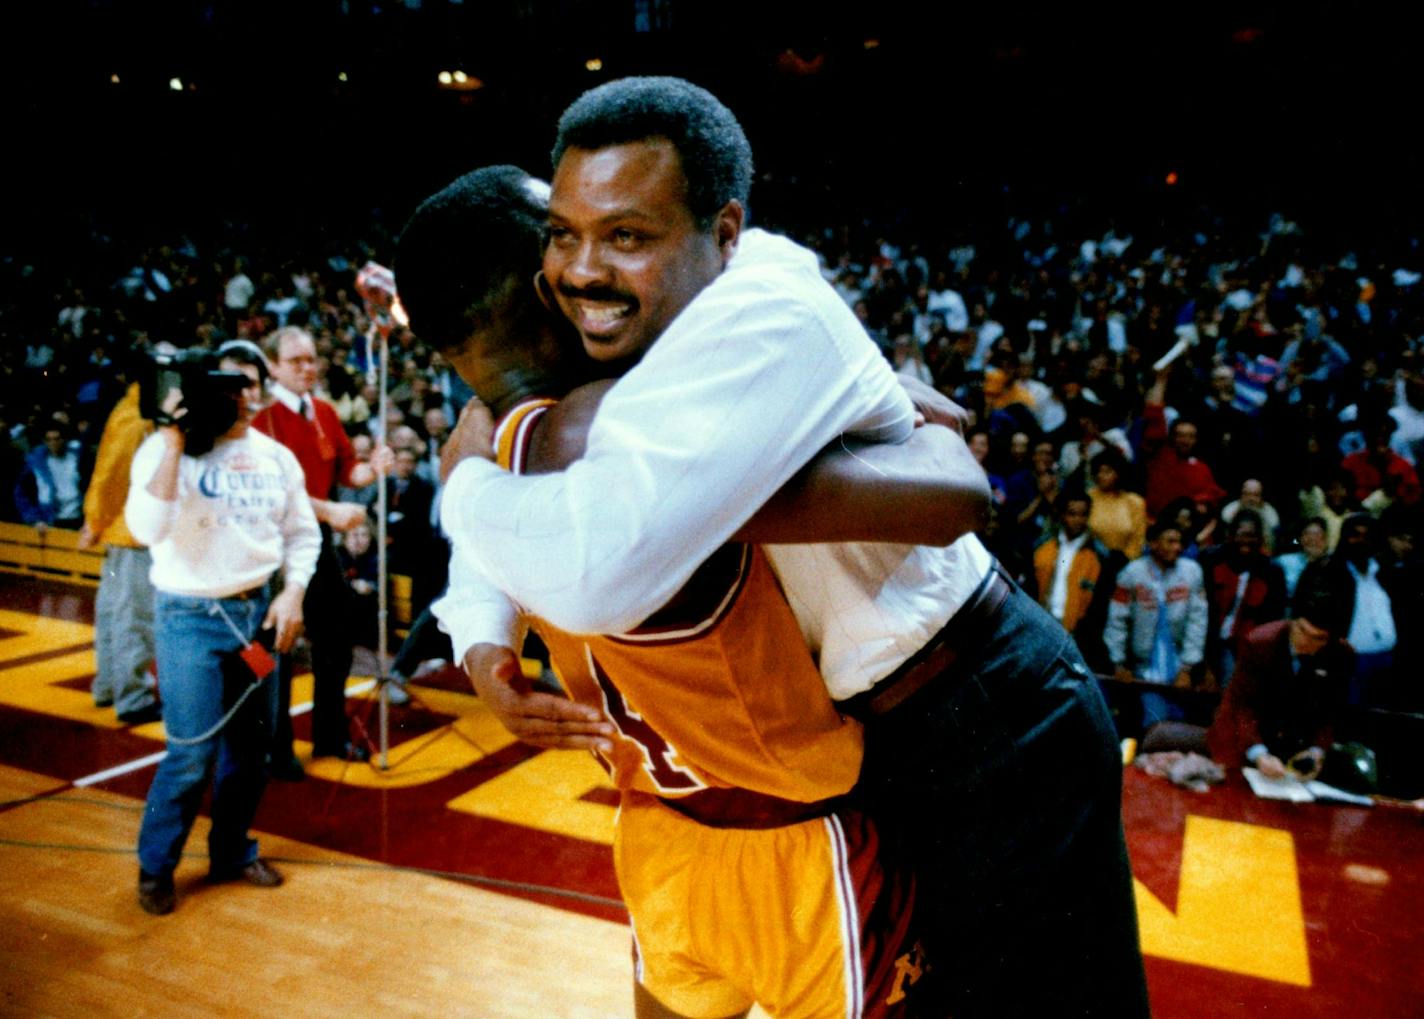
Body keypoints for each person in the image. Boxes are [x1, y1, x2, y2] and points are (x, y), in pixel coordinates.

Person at [431, 78, 1147, 1017]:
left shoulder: (754, 320)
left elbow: (953, 497)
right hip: (870, 740)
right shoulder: (614, 371)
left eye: (628, 235)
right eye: (563, 234)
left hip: (987, 705)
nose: (581, 269)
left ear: (723, 234)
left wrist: (464, 478)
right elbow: (537, 488)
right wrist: (482, 639)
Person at [396, 165, 988, 1017]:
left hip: (655, 832)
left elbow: (488, 529)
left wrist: (487, 658)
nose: (593, 248)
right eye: (566, 232)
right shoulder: (647, 423)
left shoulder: (488, 452)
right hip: (793, 839)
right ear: (551, 278)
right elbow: (945, 442)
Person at [124, 340, 321, 916]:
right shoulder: (167, 450)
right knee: (190, 751)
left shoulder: (276, 457)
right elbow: (144, 529)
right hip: (189, 618)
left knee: (252, 749)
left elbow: (303, 534)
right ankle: (155, 867)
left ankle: (232, 852)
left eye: (248, 383)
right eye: (226, 382)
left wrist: (292, 591)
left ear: (259, 393)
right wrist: (173, 443)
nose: (238, 393)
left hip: (258, 618)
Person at [253, 326, 393, 769]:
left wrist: (373, 469)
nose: (307, 368)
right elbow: (274, 491)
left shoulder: (325, 412)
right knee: (273, 647)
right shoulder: (260, 418)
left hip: (315, 545)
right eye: (295, 361)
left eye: (311, 359)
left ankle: (329, 736)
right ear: (272, 366)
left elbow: (348, 470)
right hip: (272, 549)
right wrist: (329, 511)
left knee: (335, 640)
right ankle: (273, 745)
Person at [1207, 575, 1354, 779]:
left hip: (1292, 745)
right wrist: (1258, 753)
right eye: (1302, 631)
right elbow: (1241, 706)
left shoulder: (1341, 655)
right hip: (1242, 736)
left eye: (1318, 639)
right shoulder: (1260, 643)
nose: (1307, 642)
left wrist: (1316, 751)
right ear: (1292, 621)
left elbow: (1329, 713)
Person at [77, 375, 160, 723]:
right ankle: (134, 697)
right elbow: (113, 474)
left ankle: (109, 686)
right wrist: (94, 521)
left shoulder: (130, 408)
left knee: (113, 614)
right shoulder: (142, 418)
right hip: (132, 532)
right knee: (133, 617)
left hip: (118, 531)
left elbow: (105, 472)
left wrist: (97, 521)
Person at [1106, 520, 1210, 734]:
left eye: (1179, 542)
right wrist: (1118, 663)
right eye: (1170, 541)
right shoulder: (1131, 573)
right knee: (1156, 722)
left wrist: (1187, 668)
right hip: (1143, 668)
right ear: (1153, 544)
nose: (1177, 547)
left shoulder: (1192, 572)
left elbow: (1197, 622)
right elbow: (1117, 620)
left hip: (1179, 666)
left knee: (1180, 721)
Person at [1031, 488, 1123, 671]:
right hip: (1042, 627)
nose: (1077, 520)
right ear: (1062, 514)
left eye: (1083, 515)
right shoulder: (1042, 547)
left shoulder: (1099, 555)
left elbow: (1099, 605)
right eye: (1072, 514)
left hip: (1078, 636)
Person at [13, 422, 91, 532]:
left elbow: (92, 489)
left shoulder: (78, 459)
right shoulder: (36, 464)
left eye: (57, 439)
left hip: (77, 518)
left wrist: (90, 520)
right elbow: (22, 494)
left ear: (64, 439)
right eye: (48, 439)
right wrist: (35, 519)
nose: (53, 443)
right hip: (49, 521)